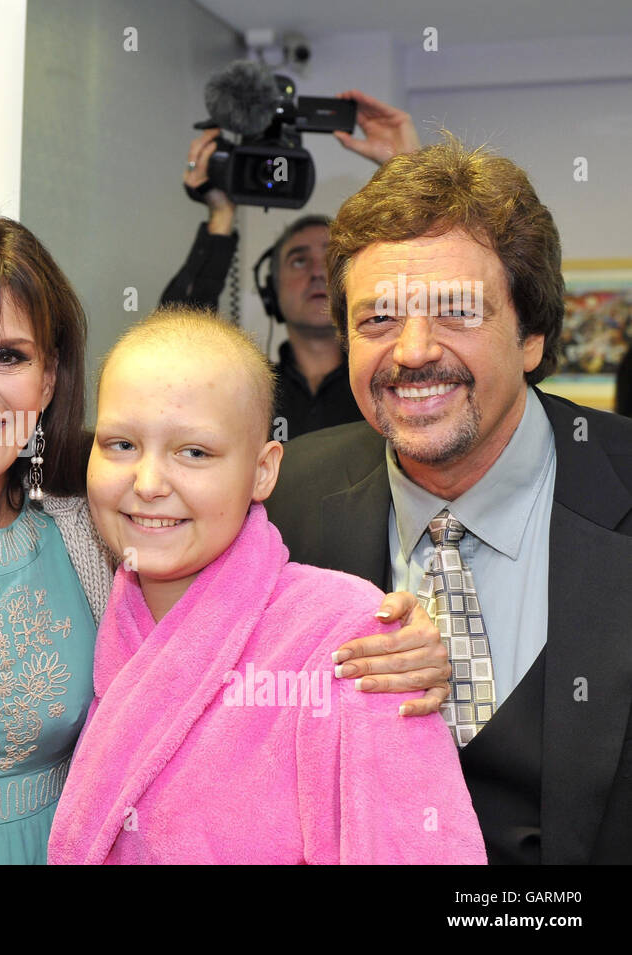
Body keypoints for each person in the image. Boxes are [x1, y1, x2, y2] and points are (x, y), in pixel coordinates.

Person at [0, 208, 454, 865]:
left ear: (47, 377)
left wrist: (395, 637)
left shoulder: (102, 531)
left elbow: (252, 610)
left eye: (6, 356)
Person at [265, 136, 632, 864]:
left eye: (455, 312)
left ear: (531, 333)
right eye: (377, 320)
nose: (410, 351)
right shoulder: (283, 502)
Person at [47, 308, 485, 864]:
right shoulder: (99, 611)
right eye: (120, 445)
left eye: (194, 452)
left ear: (263, 471)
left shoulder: (351, 637)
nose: (149, 483)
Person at [161, 90, 420, 439]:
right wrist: (221, 214)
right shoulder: (246, 387)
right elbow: (174, 337)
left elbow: (434, 271)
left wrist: (410, 169)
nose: (317, 272)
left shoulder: (392, 377)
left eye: (328, 259)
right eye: (298, 260)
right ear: (270, 291)